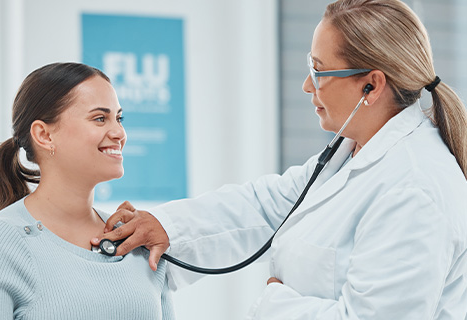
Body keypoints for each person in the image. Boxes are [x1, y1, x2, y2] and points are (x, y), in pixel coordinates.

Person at [92, 0, 467, 319]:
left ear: (371, 85)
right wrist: (167, 225)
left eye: (319, 72)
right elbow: (267, 206)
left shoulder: (415, 189)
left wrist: (276, 303)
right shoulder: (352, 151)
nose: (307, 85)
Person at [0, 62, 175, 319]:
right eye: (99, 118)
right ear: (44, 135)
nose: (119, 132)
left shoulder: (137, 238)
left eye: (119, 118)